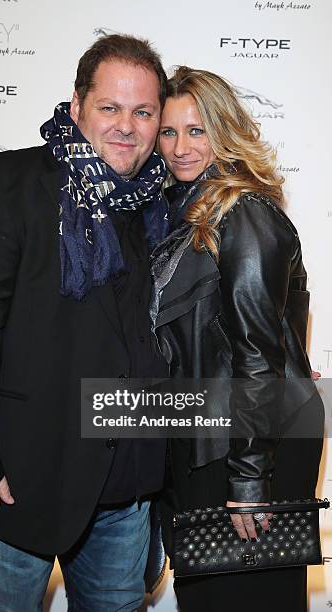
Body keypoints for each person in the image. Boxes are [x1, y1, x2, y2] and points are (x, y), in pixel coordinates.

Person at [0, 34, 170, 612]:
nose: (125, 126)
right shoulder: (2, 184)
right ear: (77, 103)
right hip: (14, 491)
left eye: (143, 112)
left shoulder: (158, 205)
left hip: (124, 499)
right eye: (110, 107)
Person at [151, 66, 324, 612]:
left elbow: (256, 355)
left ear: (224, 131)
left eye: (197, 130)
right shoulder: (183, 217)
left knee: (245, 598)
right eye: (169, 131)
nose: (180, 147)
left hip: (243, 448)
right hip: (208, 435)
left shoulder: (243, 214)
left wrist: (250, 481)